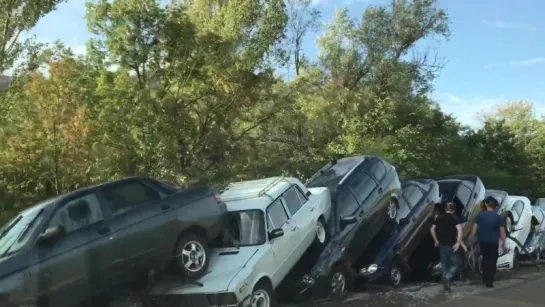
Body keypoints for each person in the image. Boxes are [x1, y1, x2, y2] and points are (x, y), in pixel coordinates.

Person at [470, 196, 506, 288]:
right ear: (495, 207)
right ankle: (489, 279)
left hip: (482, 242)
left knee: (485, 259)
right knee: (492, 260)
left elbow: (475, 229)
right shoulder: (498, 217)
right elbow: (502, 231)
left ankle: (485, 278)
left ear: (486, 205)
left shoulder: (479, 215)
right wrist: (503, 241)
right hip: (493, 242)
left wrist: (472, 237)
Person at [431, 202, 462, 292]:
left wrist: (436, 240)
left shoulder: (439, 218)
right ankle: (448, 277)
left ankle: (445, 286)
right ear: (454, 209)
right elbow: (459, 230)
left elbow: (432, 229)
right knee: (456, 265)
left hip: (442, 245)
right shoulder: (455, 218)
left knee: (445, 265)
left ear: (445, 209)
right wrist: (458, 242)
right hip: (452, 245)